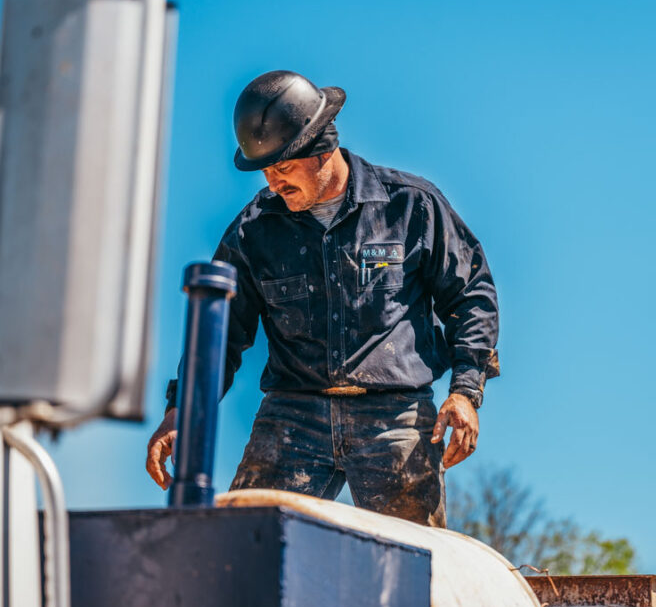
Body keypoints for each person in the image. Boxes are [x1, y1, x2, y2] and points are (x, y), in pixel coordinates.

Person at [146, 70, 500, 527]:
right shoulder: (254, 231)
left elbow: (470, 293)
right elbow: (219, 336)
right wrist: (181, 410)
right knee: (241, 541)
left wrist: (466, 390)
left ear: (323, 149)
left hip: (395, 415)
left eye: (284, 167)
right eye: (266, 171)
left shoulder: (412, 207)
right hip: (293, 415)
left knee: (414, 565)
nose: (273, 183)